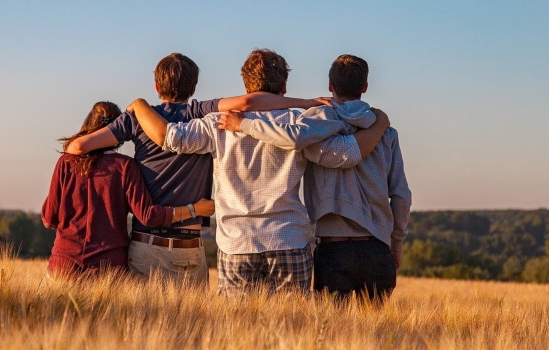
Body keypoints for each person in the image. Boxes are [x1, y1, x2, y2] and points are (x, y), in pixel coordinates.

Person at [126, 49, 390, 296]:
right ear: (284, 87)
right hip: (288, 239)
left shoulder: (217, 123)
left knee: (236, 331)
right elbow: (345, 154)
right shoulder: (300, 124)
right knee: (292, 332)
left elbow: (170, 138)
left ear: (245, 86)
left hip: (237, 242)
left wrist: (139, 105)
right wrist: (380, 124)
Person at [65, 53, 327, 284]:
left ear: (157, 86)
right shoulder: (201, 112)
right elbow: (248, 103)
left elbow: (77, 148)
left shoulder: (136, 119)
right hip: (189, 246)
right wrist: (306, 103)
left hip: (146, 243)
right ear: (194, 86)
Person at [219, 54, 411, 302]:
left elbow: (292, 138)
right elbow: (401, 195)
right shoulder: (386, 132)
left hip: (333, 249)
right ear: (365, 87)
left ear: (330, 86)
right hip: (378, 248)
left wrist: (244, 124)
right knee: (376, 336)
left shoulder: (314, 125)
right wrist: (396, 244)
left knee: (330, 334)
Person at [41, 101, 215, 279]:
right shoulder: (125, 166)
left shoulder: (66, 162)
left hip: (63, 265)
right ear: (119, 131)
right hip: (108, 269)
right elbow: (148, 216)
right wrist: (194, 210)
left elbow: (49, 218)